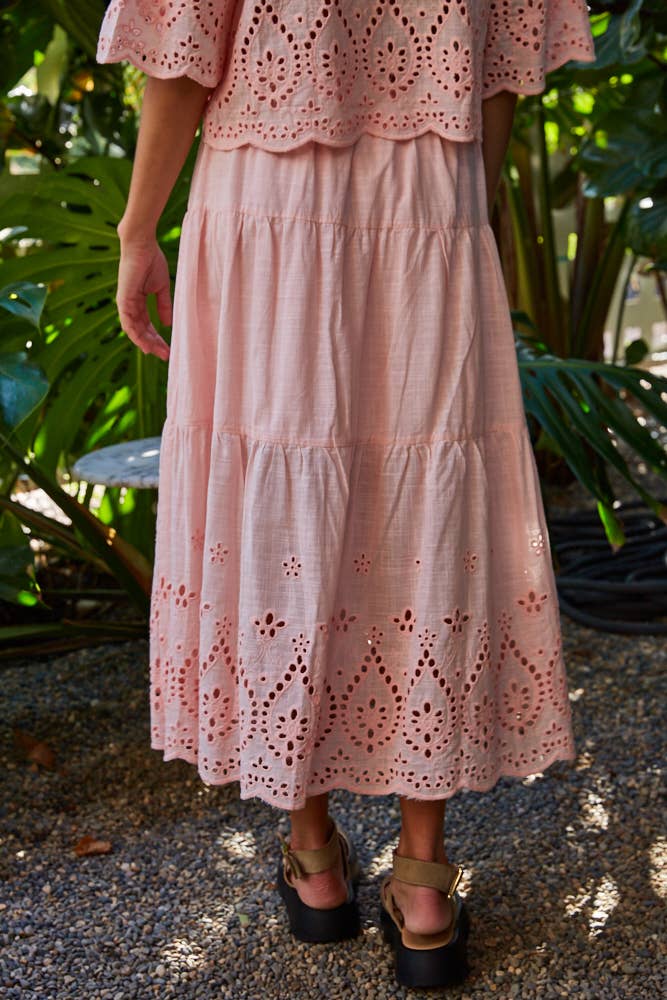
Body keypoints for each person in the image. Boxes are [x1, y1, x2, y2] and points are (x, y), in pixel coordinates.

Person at [96, 0, 596, 989]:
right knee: (423, 511)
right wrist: (460, 211)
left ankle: (314, 857)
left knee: (287, 504)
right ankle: (422, 882)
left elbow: (185, 57)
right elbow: (499, 70)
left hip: (266, 192)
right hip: (430, 196)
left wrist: (136, 228)